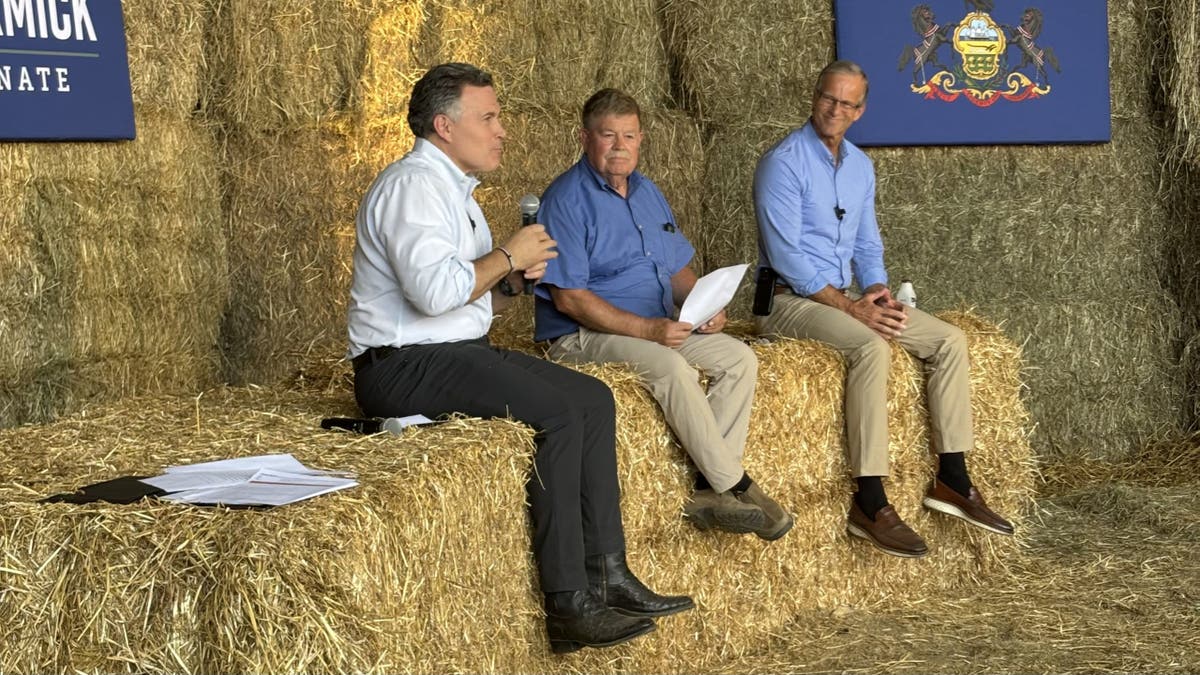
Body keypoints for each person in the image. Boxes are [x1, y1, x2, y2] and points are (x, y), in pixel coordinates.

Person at [346, 63, 693, 653]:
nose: (502, 130)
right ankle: (568, 604)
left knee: (592, 396)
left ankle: (608, 572)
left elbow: (476, 301)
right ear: (444, 126)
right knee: (556, 411)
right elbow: (433, 294)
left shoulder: (457, 194)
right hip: (401, 365)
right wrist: (508, 254)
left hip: (451, 350)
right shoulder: (412, 187)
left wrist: (512, 280)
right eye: (489, 117)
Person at [752, 60, 1014, 558]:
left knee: (947, 339)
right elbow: (786, 255)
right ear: (814, 97)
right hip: (787, 301)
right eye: (829, 98)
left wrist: (877, 291)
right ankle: (870, 502)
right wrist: (852, 308)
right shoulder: (781, 163)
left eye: (847, 103)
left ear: (860, 111)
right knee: (872, 346)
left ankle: (953, 479)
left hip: (844, 299)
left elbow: (868, 244)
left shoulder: (859, 166)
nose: (835, 110)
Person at [534, 88, 793, 542]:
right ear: (584, 138)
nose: (619, 146)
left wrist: (707, 306)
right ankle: (736, 484)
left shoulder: (648, 192)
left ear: (641, 139)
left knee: (738, 359)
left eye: (629, 136)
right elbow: (569, 299)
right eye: (607, 135)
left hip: (656, 324)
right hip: (584, 334)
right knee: (671, 366)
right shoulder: (566, 200)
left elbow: (675, 270)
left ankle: (705, 490)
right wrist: (648, 330)